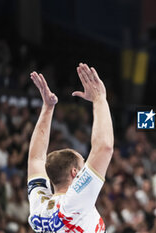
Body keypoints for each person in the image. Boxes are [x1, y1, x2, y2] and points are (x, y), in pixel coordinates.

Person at [27, 63, 113, 232]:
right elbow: (104, 147)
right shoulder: (74, 202)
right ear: (75, 173)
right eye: (83, 165)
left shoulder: (40, 207)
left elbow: (36, 158)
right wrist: (99, 99)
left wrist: (47, 108)